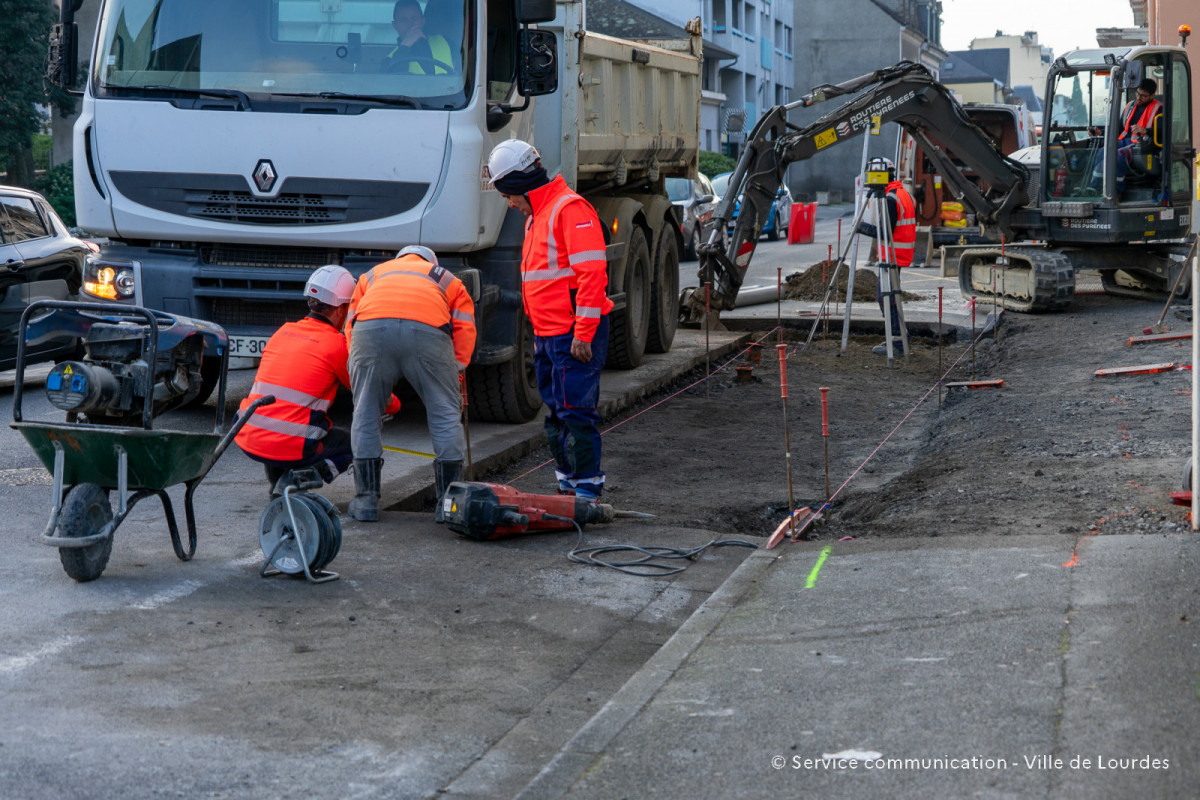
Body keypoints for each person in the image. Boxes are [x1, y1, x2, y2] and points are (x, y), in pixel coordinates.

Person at [486, 139, 613, 500]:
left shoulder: (569, 209)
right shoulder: (538, 216)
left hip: (572, 335)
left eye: (507, 195)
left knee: (575, 412)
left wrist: (584, 335)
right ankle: (569, 482)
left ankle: (587, 487)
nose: (508, 203)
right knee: (557, 411)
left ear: (519, 187)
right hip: (549, 334)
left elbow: (592, 275)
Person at [235, 265, 401, 496]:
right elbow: (368, 387)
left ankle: (279, 480)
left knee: (283, 423)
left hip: (247, 434)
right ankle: (294, 481)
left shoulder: (282, 332)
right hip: (289, 444)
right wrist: (394, 404)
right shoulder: (338, 345)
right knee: (356, 442)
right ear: (343, 308)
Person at [346, 245, 476, 522]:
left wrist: (359, 365)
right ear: (430, 261)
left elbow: (350, 323)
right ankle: (448, 505)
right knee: (444, 414)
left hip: (370, 329)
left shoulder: (372, 275)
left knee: (366, 412)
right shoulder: (447, 278)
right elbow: (464, 327)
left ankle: (366, 500)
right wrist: (457, 372)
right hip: (428, 330)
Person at [855, 156, 916, 356]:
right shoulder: (901, 193)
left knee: (886, 299)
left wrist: (861, 226)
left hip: (892, 256)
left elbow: (884, 232)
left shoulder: (891, 199)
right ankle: (899, 337)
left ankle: (898, 343)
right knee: (889, 298)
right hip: (898, 255)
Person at [1090, 78, 1162, 193]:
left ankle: (1116, 191)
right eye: (1137, 93)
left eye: (1143, 96)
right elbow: (1119, 128)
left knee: (1119, 155)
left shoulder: (1158, 109)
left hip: (1142, 145)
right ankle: (1095, 187)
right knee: (1102, 151)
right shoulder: (1130, 106)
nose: (1139, 97)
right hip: (1123, 140)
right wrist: (1101, 132)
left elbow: (1161, 130)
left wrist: (1145, 130)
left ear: (1152, 95)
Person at [384, 0, 453, 75]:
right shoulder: (390, 60)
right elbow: (393, 82)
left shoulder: (445, 42)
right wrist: (405, 46)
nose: (410, 25)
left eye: (414, 19)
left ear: (423, 21)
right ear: (395, 25)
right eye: (404, 20)